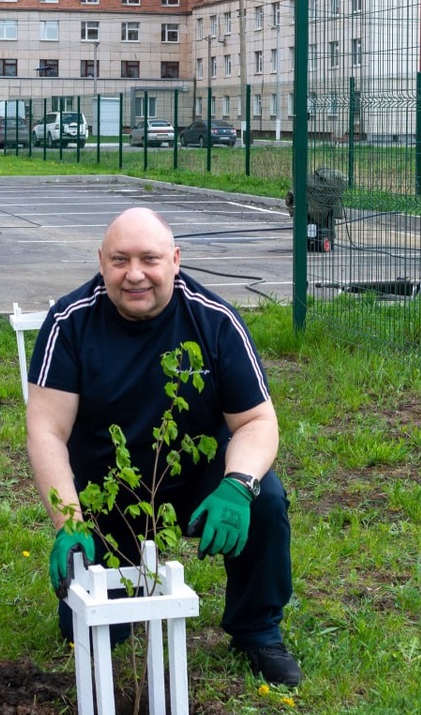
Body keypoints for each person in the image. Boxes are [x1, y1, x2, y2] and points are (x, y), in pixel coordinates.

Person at [25, 207, 303, 687]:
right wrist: (69, 522)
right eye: (119, 261)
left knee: (266, 499)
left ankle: (258, 630)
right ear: (101, 262)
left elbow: (258, 420)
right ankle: (112, 592)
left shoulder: (214, 322)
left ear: (175, 260)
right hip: (108, 494)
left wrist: (237, 486)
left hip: (197, 484)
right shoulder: (69, 323)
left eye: (149, 259)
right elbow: (46, 431)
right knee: (90, 638)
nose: (135, 274)